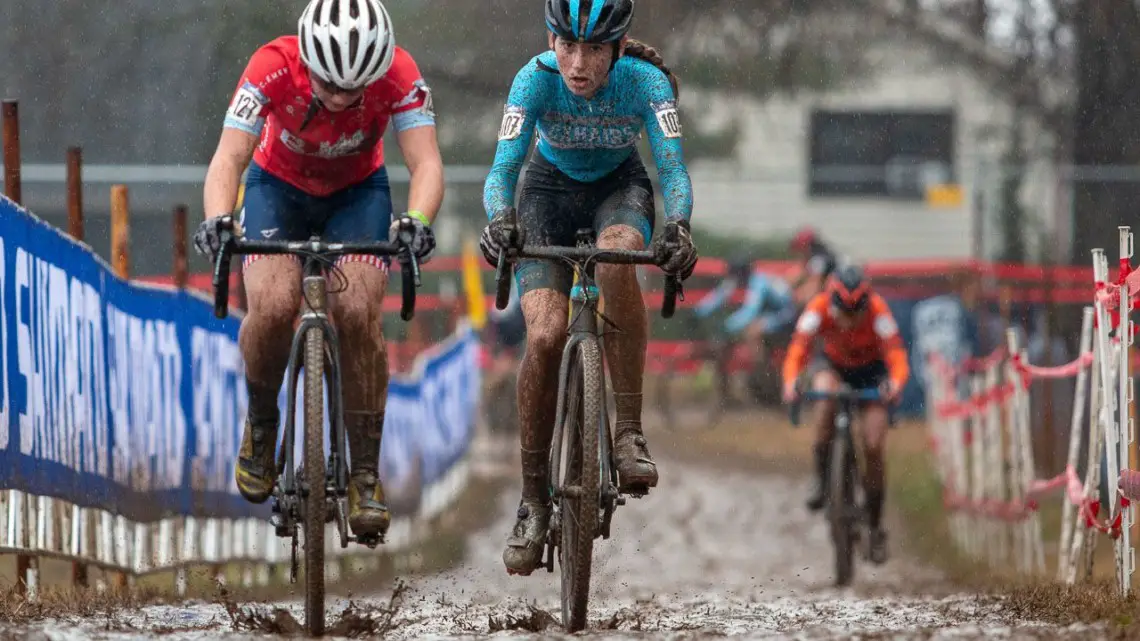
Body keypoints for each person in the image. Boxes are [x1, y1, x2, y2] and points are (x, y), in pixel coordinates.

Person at [191, 0, 443, 542]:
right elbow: (228, 157)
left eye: (355, 89)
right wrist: (218, 218)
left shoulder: (401, 73)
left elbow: (425, 162)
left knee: (355, 311)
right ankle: (262, 422)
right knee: (276, 304)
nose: (339, 98)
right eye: (329, 84)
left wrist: (418, 220)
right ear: (308, 59)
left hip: (358, 194)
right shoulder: (271, 65)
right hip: (276, 190)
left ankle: (365, 472)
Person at [478, 0, 698, 576]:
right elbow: (502, 172)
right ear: (551, 40)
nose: (578, 63)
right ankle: (531, 502)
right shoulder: (533, 79)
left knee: (619, 257)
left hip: (619, 189)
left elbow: (672, 171)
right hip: (545, 193)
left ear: (618, 48)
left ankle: (628, 434)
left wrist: (677, 227)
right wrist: (500, 219)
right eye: (567, 46)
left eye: (595, 49)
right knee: (546, 335)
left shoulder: (645, 83)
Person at [780, 263, 909, 564]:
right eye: (844, 315)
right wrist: (790, 382)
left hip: (872, 373)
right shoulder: (818, 307)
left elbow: (896, 354)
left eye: (856, 315)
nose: (849, 322)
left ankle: (875, 526)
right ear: (833, 304)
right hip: (833, 367)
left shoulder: (879, 312)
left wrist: (895, 383)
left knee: (874, 444)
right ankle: (821, 478)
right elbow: (798, 348)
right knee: (825, 405)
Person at [693, 254, 797, 405]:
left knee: (752, 331)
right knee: (725, 343)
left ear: (743, 274)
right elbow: (718, 296)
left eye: (736, 276)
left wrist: (728, 325)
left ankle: (764, 378)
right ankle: (726, 394)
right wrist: (698, 312)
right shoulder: (739, 279)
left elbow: (750, 311)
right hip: (768, 316)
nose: (734, 280)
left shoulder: (759, 282)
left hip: (786, 316)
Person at [787, 226, 838, 307]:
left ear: (806, 248)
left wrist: (791, 297)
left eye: (799, 250)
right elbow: (795, 279)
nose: (797, 254)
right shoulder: (818, 259)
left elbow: (811, 294)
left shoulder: (818, 261)